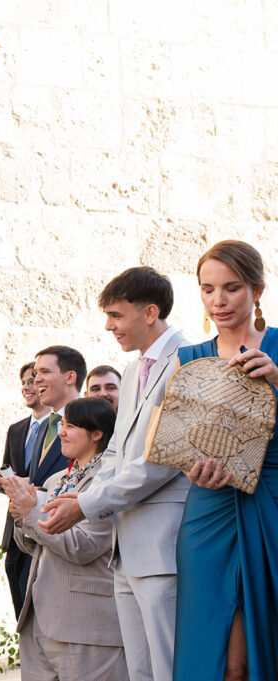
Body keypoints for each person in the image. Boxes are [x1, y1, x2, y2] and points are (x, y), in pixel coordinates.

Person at [41, 266, 188, 681]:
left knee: (169, 670)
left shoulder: (187, 359)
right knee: (139, 672)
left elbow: (161, 460)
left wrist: (86, 505)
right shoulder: (136, 367)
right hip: (125, 551)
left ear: (150, 312)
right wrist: (76, 497)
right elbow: (117, 453)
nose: (109, 327)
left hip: (162, 547)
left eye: (116, 315)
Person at [172, 240, 278, 681]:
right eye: (207, 288)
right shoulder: (188, 358)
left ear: (256, 290)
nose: (218, 300)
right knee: (219, 658)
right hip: (207, 508)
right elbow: (176, 439)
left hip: (271, 502)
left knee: (259, 649)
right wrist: (188, 466)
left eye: (231, 288)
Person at [4, 397, 127, 681]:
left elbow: (81, 546)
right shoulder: (57, 480)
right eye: (62, 424)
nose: (61, 432)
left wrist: (31, 515)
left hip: (87, 625)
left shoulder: (110, 482)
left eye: (70, 426)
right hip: (41, 620)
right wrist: (22, 515)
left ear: (97, 433)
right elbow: (32, 546)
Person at [0, 362, 50, 618]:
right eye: (24, 382)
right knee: (21, 612)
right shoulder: (16, 430)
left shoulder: (62, 428)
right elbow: (11, 472)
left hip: (46, 525)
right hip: (15, 531)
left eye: (32, 380)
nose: (27, 386)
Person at [28, 345, 86, 485]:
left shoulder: (89, 423)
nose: (36, 380)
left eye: (45, 372)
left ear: (70, 377)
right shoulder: (44, 426)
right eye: (36, 373)